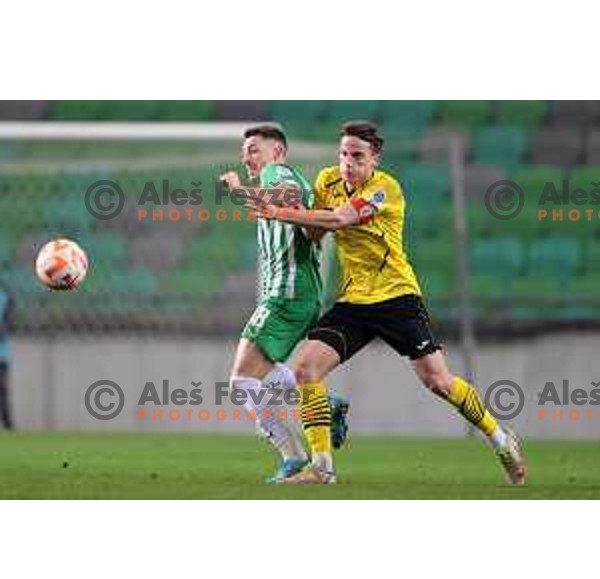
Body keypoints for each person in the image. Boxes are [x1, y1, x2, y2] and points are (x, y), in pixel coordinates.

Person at [244, 121, 526, 485]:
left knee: (438, 381)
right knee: (305, 371)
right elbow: (317, 232)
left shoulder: (385, 189)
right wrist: (295, 212)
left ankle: (500, 438)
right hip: (353, 301)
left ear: (375, 159)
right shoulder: (328, 180)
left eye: (358, 156)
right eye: (344, 154)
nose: (348, 162)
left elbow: (339, 219)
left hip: (397, 298)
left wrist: (281, 212)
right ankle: (322, 467)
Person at [220, 125, 348, 483]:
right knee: (250, 376)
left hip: (288, 293)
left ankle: (292, 456)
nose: (247, 157)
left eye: (254, 150)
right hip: (294, 293)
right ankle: (323, 404)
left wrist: (236, 189)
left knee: (242, 381)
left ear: (277, 152)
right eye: (245, 151)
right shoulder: (282, 181)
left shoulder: (278, 173)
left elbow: (284, 196)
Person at [0, 282, 14, 430]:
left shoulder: (6, 296)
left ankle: (8, 426)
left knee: (2, 391)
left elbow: (8, 324)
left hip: (1, 355)